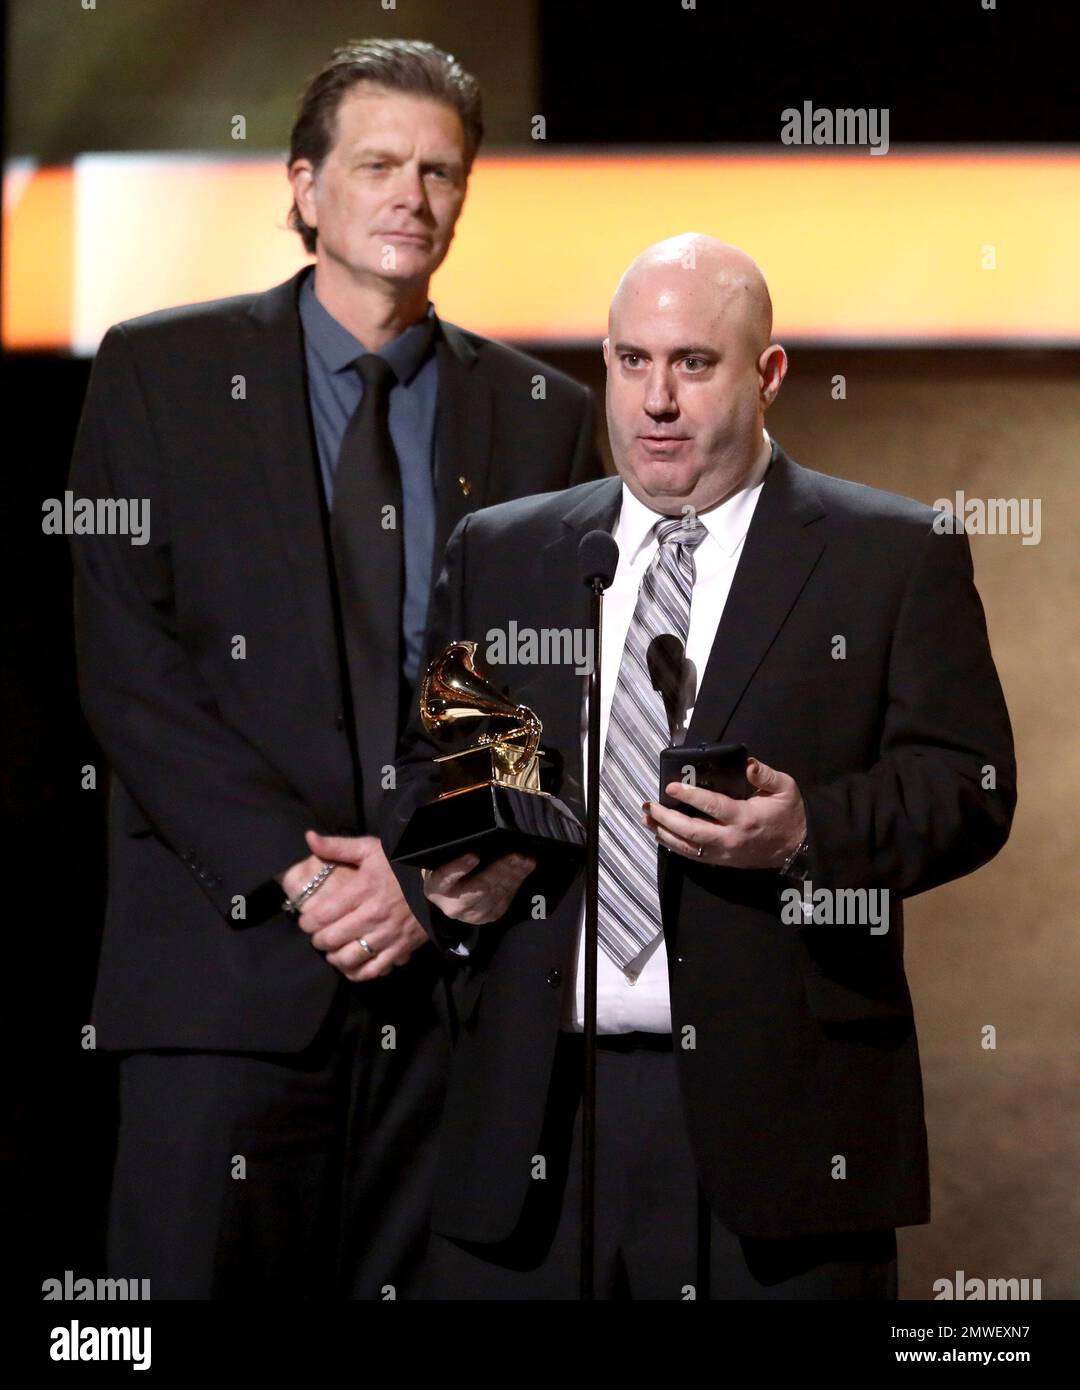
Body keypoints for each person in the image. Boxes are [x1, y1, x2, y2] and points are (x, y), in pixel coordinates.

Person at [69, 37, 601, 1300]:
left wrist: (426, 882)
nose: (412, 196)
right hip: (225, 974)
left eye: (440, 171)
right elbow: (129, 663)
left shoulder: (544, 413)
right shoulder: (161, 371)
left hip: (448, 993)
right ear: (305, 188)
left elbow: (540, 683)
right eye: (378, 165)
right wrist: (306, 878)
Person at [386, 233, 1017, 1299]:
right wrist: (448, 878)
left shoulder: (889, 554)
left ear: (767, 375)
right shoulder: (507, 549)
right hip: (537, 1115)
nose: (656, 401)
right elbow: (429, 767)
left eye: (693, 363)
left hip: (782, 1125)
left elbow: (969, 785)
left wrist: (808, 827)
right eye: (631, 362)